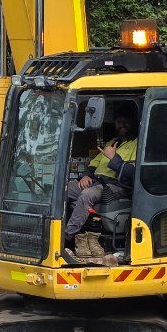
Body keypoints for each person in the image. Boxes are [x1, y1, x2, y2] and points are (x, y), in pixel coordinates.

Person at [64, 107, 138, 258]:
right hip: (95, 181)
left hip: (116, 186)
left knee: (87, 195)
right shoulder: (112, 142)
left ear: (132, 122)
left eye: (125, 121)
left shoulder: (138, 144)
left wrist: (114, 158)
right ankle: (61, 232)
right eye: (118, 121)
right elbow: (93, 163)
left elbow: (134, 173)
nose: (121, 124)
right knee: (62, 190)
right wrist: (86, 176)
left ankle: (66, 237)